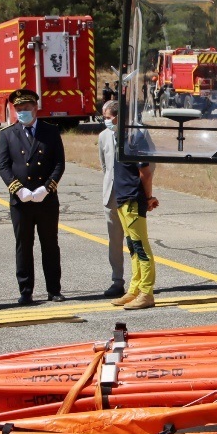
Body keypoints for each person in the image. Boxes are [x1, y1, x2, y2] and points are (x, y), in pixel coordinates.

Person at [0, 89, 66, 305]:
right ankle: (26, 291)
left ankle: (54, 289)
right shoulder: (8, 134)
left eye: (25, 109)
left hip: (45, 199)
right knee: (23, 245)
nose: (22, 113)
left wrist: (47, 188)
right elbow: (3, 166)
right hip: (21, 201)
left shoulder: (50, 131)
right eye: (18, 110)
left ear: (35, 108)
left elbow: (59, 163)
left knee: (50, 244)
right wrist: (19, 189)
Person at [110, 128, 160, 310]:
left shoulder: (135, 139)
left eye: (108, 117)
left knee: (141, 247)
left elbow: (145, 173)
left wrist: (148, 197)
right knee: (132, 247)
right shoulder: (120, 138)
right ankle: (135, 289)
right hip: (123, 199)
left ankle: (146, 292)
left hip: (133, 199)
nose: (106, 121)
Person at [98, 100, 125, 298]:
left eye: (108, 118)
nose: (106, 122)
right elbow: (105, 166)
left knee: (135, 241)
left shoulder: (135, 132)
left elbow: (148, 165)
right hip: (111, 196)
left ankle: (139, 282)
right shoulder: (103, 136)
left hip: (130, 195)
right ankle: (117, 280)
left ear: (117, 116)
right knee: (115, 241)